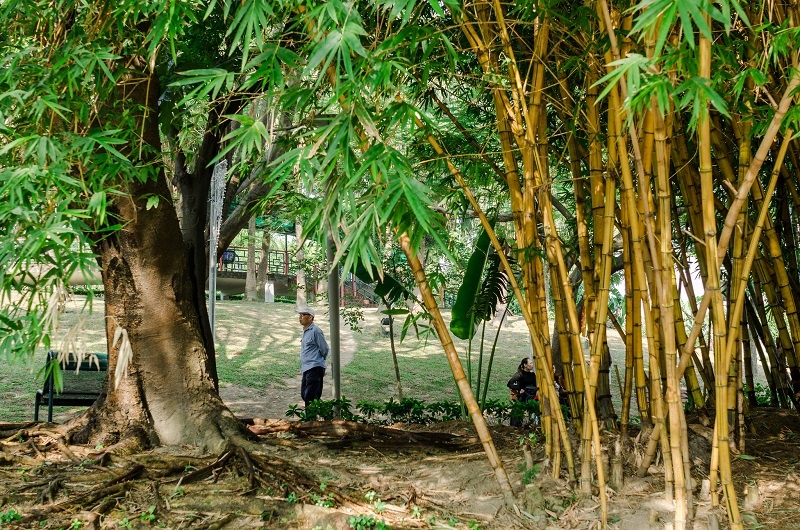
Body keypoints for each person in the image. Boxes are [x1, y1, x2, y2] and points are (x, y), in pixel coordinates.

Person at [296, 306, 329, 409]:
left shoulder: (316, 331)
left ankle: (311, 420)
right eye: (299, 315)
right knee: (305, 395)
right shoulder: (306, 331)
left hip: (315, 367)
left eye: (303, 315)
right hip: (306, 368)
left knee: (310, 397)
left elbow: (325, 348)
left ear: (310, 317)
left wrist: (319, 362)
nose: (300, 317)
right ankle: (313, 417)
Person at [507, 357, 537, 427]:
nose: (532, 365)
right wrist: (519, 388)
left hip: (531, 395)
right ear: (525, 365)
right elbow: (509, 384)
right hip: (522, 395)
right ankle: (516, 425)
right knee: (517, 408)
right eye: (530, 363)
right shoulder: (519, 374)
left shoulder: (533, 375)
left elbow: (535, 385)